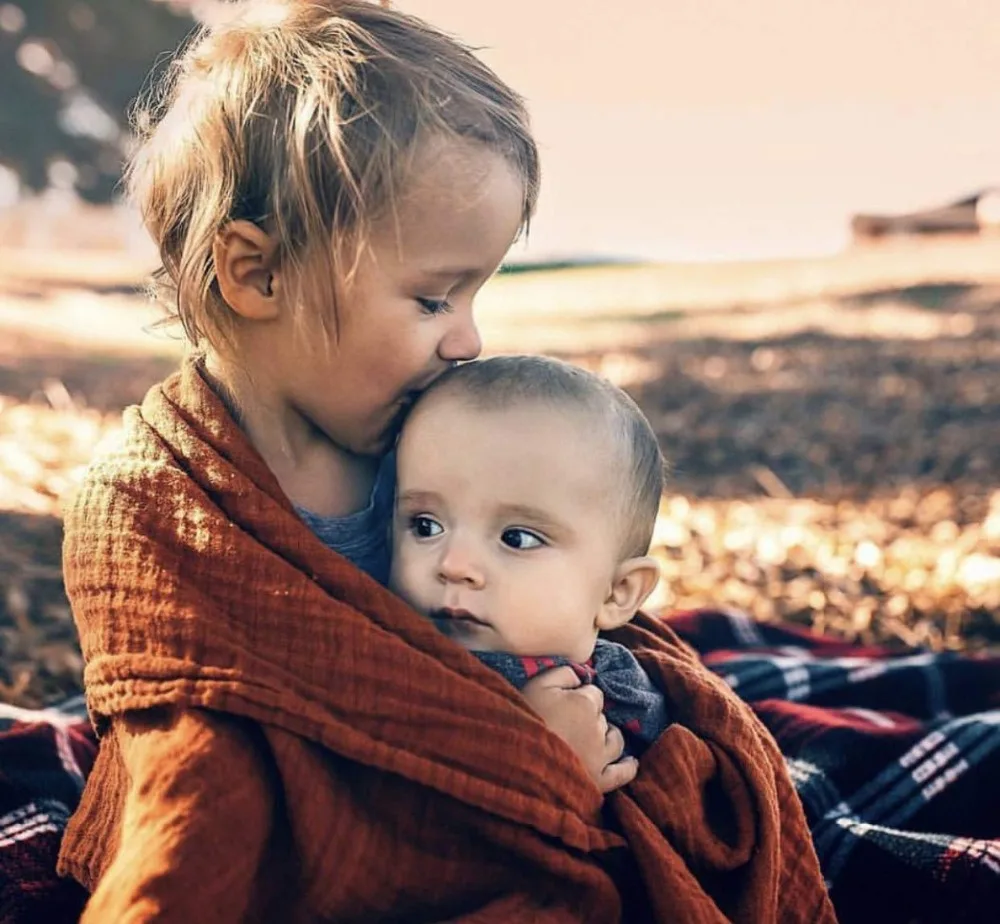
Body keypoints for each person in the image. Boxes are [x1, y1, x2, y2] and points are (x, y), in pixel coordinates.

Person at [57, 2, 836, 920]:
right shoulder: (150, 503)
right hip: (317, 845)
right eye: (433, 298)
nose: (468, 340)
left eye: (476, 292)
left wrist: (588, 733)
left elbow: (555, 612)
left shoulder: (427, 439)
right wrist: (534, 763)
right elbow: (194, 770)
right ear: (256, 273)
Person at [390, 355, 670, 753]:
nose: (453, 565)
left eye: (517, 538)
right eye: (426, 526)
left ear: (617, 592)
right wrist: (538, 760)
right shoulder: (392, 676)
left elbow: (685, 801)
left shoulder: (631, 699)